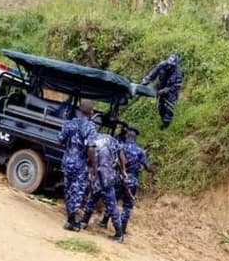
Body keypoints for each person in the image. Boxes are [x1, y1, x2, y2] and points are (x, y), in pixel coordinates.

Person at [99, 127, 156, 236]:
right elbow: (147, 167)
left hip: (119, 178)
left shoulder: (120, 147)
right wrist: (152, 170)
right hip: (132, 180)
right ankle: (122, 229)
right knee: (128, 206)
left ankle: (104, 221)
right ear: (135, 138)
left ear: (127, 136)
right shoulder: (140, 151)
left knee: (113, 201)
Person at [79, 128, 128, 242]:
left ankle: (119, 234)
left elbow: (89, 154)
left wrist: (92, 168)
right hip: (109, 177)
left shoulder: (92, 140)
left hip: (101, 177)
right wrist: (124, 171)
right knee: (93, 199)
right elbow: (121, 155)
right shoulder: (111, 139)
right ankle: (84, 222)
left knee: (111, 205)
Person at [58, 99, 97, 231]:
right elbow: (91, 148)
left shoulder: (70, 123)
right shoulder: (91, 127)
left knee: (68, 189)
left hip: (68, 161)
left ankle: (70, 219)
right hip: (81, 164)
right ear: (91, 112)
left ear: (80, 110)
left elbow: (60, 140)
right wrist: (93, 165)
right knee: (78, 191)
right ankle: (72, 221)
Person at [141, 54, 184, 128]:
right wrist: (145, 82)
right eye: (169, 64)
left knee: (169, 108)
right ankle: (163, 120)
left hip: (171, 93)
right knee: (161, 108)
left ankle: (167, 124)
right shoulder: (162, 65)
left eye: (172, 65)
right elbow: (152, 75)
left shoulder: (178, 73)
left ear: (175, 65)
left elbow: (176, 87)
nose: (169, 66)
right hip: (161, 87)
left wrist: (165, 91)